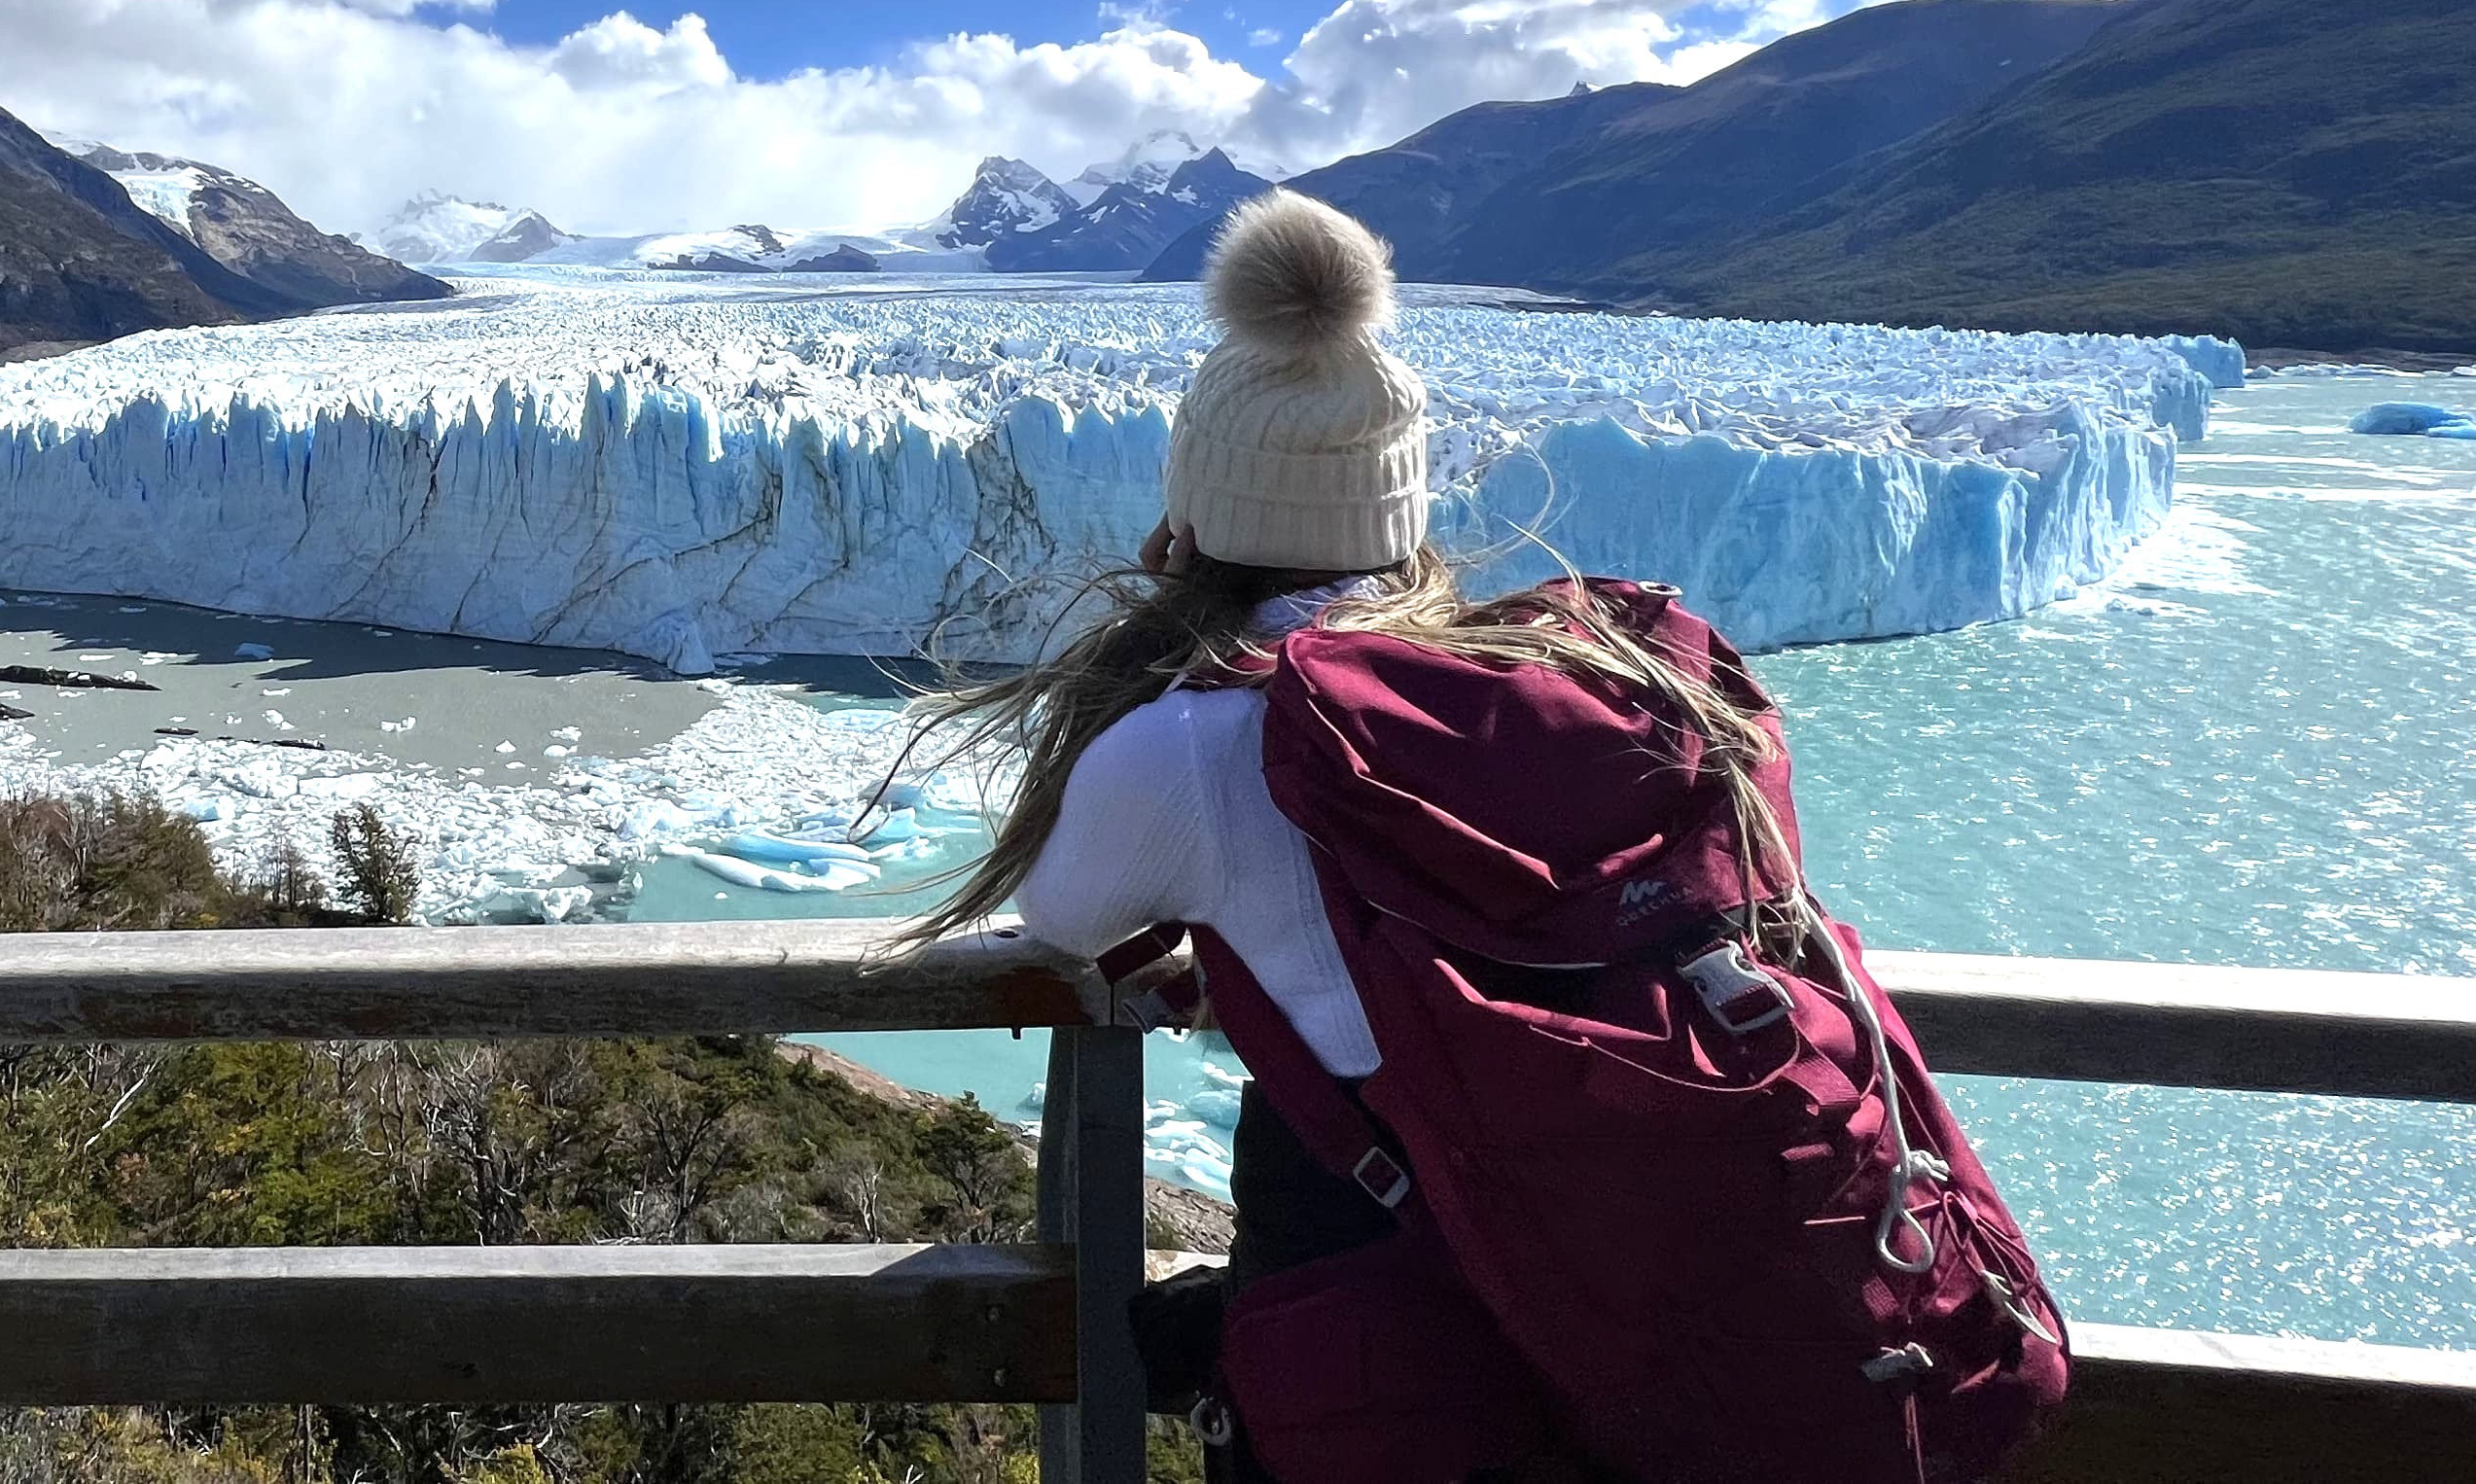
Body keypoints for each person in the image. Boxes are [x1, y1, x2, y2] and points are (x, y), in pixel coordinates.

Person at [883, 191, 2060, 1484]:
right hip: (1653, 1295)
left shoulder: (1191, 745)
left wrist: (1234, 943)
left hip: (1400, 1337)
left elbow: (1066, 922)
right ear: (1402, 501)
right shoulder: (1586, 680)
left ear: (1196, 508)